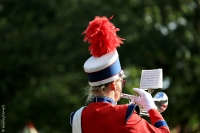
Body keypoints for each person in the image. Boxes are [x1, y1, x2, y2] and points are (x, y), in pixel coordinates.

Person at [70, 16, 170, 133]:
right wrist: (152, 108)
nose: (122, 85)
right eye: (122, 81)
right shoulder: (125, 115)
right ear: (114, 84)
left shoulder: (78, 117)